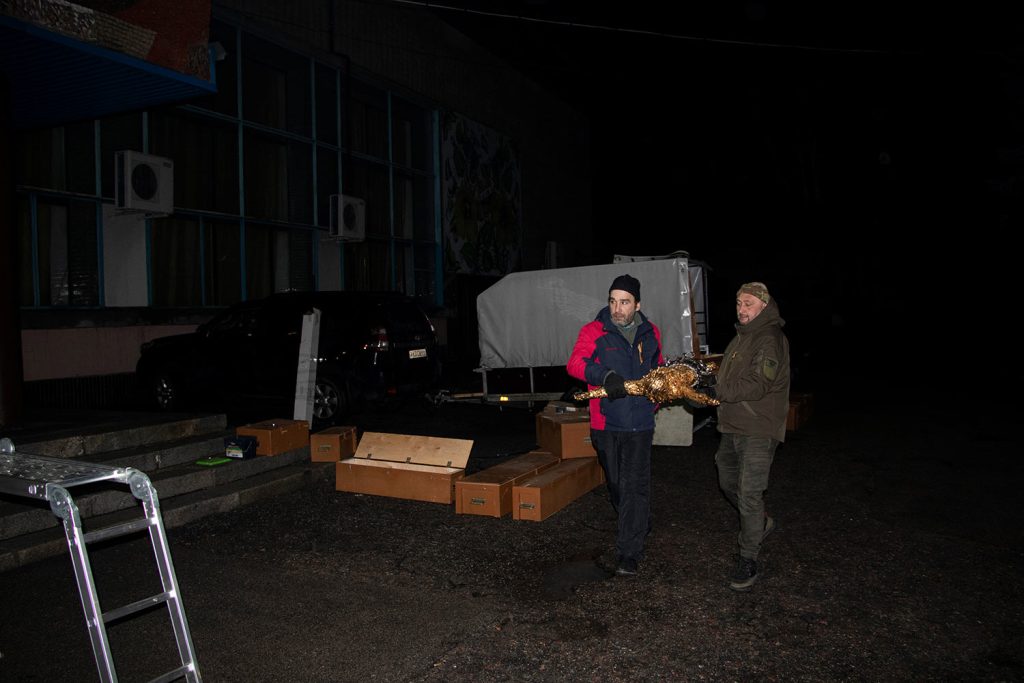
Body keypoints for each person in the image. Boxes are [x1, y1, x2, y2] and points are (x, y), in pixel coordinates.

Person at [567, 274, 662, 576]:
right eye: (612, 301)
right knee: (618, 485)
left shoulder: (651, 333)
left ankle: (629, 552)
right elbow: (575, 363)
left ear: (637, 304)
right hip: (606, 423)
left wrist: (655, 401)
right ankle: (638, 520)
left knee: (635, 487)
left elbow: (658, 369)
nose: (617, 308)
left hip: (640, 424)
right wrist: (605, 375)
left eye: (624, 302)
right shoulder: (594, 331)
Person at [708, 281, 790, 591]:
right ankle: (762, 523)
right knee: (728, 482)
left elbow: (757, 385)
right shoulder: (740, 338)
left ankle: (748, 557)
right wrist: (703, 388)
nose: (742, 309)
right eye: (740, 303)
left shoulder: (769, 339)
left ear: (764, 307)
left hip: (758, 428)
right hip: (732, 426)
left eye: (749, 304)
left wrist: (716, 390)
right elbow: (726, 380)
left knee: (749, 492)